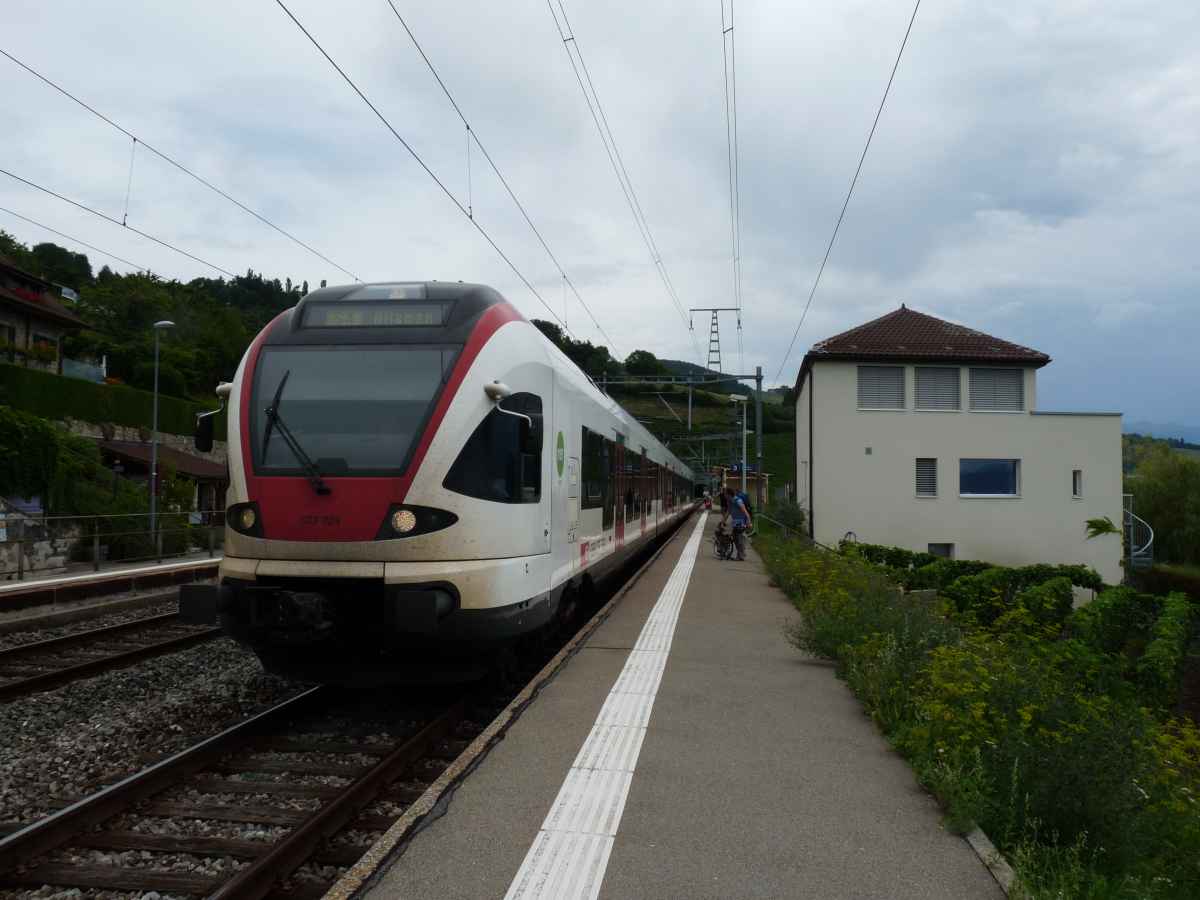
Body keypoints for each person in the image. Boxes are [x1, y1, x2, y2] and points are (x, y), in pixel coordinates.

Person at [724, 485, 752, 561]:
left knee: (739, 539)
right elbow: (728, 511)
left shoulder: (738, 501)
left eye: (725, 494)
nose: (724, 495)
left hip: (741, 522)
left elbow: (745, 511)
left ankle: (741, 555)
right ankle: (741, 554)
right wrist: (723, 521)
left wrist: (748, 521)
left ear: (729, 494)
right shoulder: (730, 501)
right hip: (735, 522)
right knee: (736, 538)